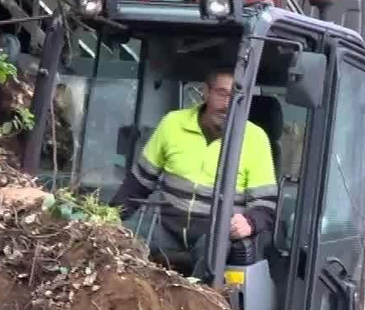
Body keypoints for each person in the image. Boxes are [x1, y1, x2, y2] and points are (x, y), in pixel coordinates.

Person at [109, 68, 278, 280]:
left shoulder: (255, 138)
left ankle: (198, 308)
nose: (229, 104)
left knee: (210, 259)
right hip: (167, 226)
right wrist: (108, 219)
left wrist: (249, 223)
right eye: (223, 94)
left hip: (214, 233)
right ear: (205, 92)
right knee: (119, 242)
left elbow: (265, 204)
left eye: (238, 97)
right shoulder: (172, 124)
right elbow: (138, 183)